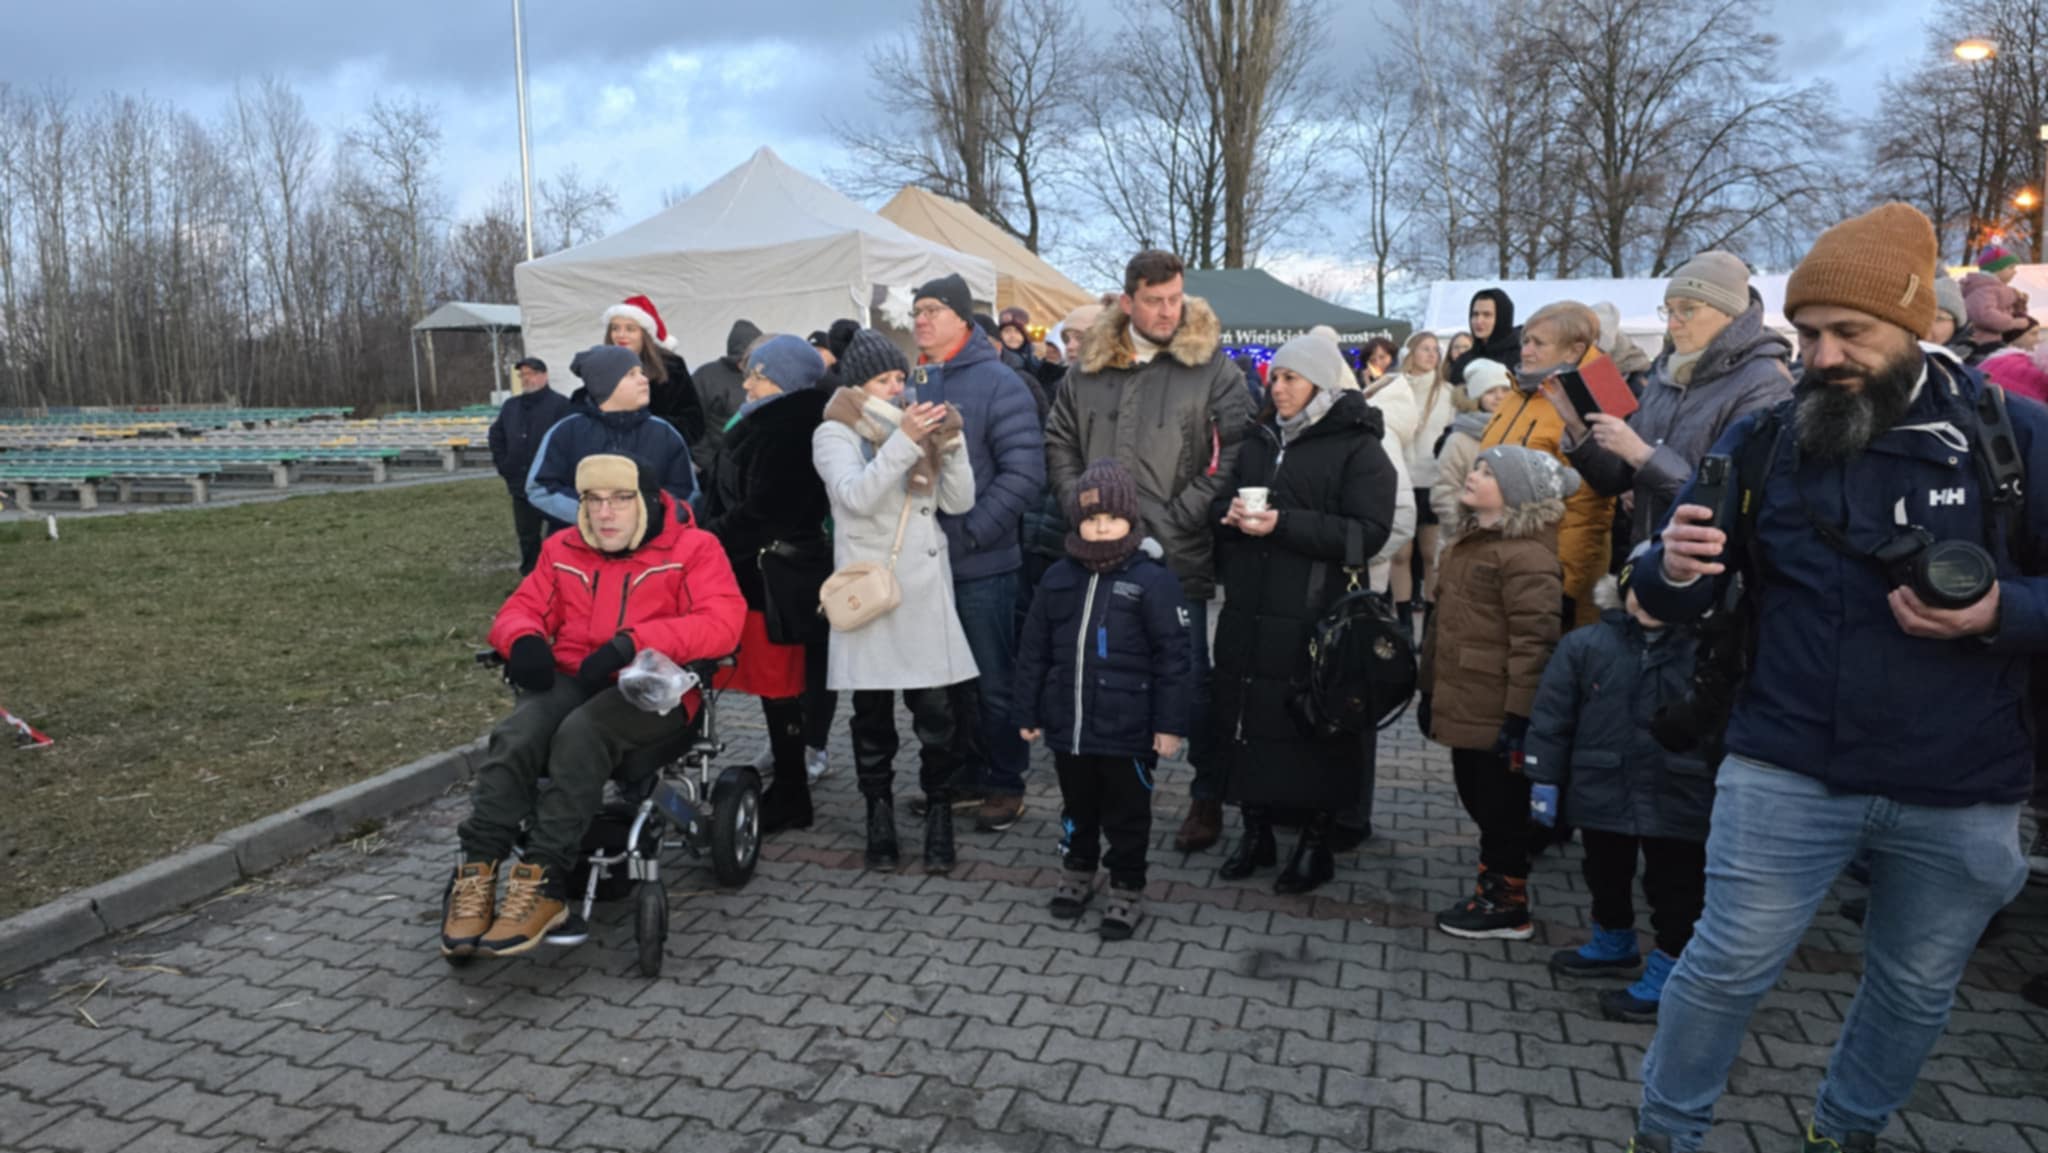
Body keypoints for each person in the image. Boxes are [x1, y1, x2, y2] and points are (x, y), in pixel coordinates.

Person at [1623, 202, 2047, 1153]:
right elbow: (1668, 588)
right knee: (1723, 967)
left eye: (1849, 332)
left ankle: (1844, 1130)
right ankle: (1667, 1132)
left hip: (1962, 781)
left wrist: (1999, 612)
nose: (1823, 357)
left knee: (1914, 986)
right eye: (1809, 333)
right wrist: (1670, 569)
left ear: (1917, 322)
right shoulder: (1763, 439)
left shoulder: (2013, 439)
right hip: (1786, 764)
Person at [441, 454, 744, 958]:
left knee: (580, 735)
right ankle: (476, 868)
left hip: (653, 686)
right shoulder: (562, 548)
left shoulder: (694, 549)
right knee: (517, 736)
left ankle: (544, 879)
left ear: (648, 502)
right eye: (594, 500)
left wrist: (633, 642)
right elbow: (522, 608)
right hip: (576, 675)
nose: (605, 513)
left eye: (621, 499)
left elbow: (722, 624)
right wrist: (523, 639)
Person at [1046, 249, 1252, 853]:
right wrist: (1079, 504)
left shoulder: (1212, 368)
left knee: (1189, 681)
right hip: (1095, 552)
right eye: (1155, 301)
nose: (1168, 311)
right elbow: (1059, 441)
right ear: (1128, 300)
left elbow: (1232, 453)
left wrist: (1182, 514)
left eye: (1175, 299)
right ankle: (1114, 798)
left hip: (1176, 553)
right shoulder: (1087, 369)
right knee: (1105, 674)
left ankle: (1207, 794)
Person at [1210, 333, 1399, 893]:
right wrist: (1228, 517)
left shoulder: (1359, 445)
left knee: (1313, 726)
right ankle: (1257, 832)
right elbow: (1224, 500)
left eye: (1290, 378)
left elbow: (1369, 534)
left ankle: (1316, 843)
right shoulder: (1260, 439)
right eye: (1275, 377)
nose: (1278, 387)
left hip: (1317, 611)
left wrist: (1284, 523)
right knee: (1248, 719)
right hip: (1249, 605)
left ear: (1319, 383)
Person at [1015, 458, 1195, 940]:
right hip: (1069, 726)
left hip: (1129, 729)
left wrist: (1170, 725)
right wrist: (1028, 709)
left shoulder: (1153, 580)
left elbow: (1174, 658)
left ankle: (1127, 885)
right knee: (1077, 807)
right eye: (1092, 518)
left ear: (1130, 520)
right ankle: (1078, 869)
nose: (1100, 528)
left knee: (1127, 814)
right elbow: (1033, 649)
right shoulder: (1058, 577)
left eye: (1111, 518)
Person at [814, 364, 978, 873]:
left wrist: (953, 445)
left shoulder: (915, 427)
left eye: (899, 378)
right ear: (858, 384)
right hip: (871, 589)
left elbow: (959, 502)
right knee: (872, 717)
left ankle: (939, 815)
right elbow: (856, 497)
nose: (897, 389)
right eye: (883, 380)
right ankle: (878, 816)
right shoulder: (835, 430)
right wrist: (905, 440)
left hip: (924, 589)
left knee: (937, 716)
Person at [1527, 567, 1709, 1022]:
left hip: (1679, 789)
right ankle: (1612, 938)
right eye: (1638, 592)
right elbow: (1553, 714)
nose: (1646, 603)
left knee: (1675, 884)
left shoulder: (1705, 651)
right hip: (1603, 782)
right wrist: (1544, 775)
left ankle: (1672, 966)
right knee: (1603, 868)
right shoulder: (1586, 645)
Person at [900, 276, 1046, 832]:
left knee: (992, 680)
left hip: (981, 563)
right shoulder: (914, 382)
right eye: (916, 310)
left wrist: (974, 533)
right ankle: (961, 777)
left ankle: (1005, 782)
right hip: (923, 562)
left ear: (963, 318)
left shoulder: (999, 383)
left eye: (932, 309)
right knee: (943, 682)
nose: (920, 319)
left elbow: (1024, 473)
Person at [1419, 446, 1575, 940]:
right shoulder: (1469, 543)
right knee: (1478, 797)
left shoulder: (1527, 557)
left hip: (1497, 708)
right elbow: (1441, 626)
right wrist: (1428, 690)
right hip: (1466, 699)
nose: (1474, 474)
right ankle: (1493, 888)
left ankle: (1507, 904)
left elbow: (1536, 643)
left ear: (1518, 494)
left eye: (1489, 473)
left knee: (1501, 806)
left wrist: (1520, 717)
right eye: (1478, 467)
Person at [1562, 253, 1794, 553]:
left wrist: (1644, 457)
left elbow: (1732, 505)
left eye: (1687, 310)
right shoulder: (1666, 372)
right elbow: (1612, 482)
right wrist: (1579, 430)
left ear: (1729, 313)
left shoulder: (1765, 381)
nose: (1673, 324)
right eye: (1669, 310)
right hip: (1650, 555)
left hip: (1712, 564)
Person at [701, 335, 831, 833]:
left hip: (775, 578)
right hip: (759, 573)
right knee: (777, 686)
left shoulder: (791, 428)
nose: (748, 383)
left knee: (781, 685)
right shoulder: (766, 420)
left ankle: (793, 793)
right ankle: (789, 784)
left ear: (783, 380)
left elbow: (769, 511)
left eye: (757, 374)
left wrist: (708, 538)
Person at [1477, 302, 1617, 627]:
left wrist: (1562, 583)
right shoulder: (1518, 393)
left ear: (1574, 350)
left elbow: (1588, 507)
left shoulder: (1591, 397)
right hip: (1504, 560)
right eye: (1525, 341)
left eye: (1538, 343)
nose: (1526, 351)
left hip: (1548, 572)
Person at [526, 346, 699, 529]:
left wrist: (645, 518)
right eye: (631, 374)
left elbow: (687, 491)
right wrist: (594, 515)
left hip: (652, 542)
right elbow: (541, 489)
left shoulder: (664, 433)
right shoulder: (566, 432)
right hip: (580, 542)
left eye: (641, 372)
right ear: (605, 383)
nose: (644, 379)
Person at [487, 357, 570, 575]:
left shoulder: (561, 405)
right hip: (520, 485)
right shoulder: (511, 406)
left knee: (558, 534)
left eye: (531, 373)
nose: (526, 379)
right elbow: (496, 436)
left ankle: (558, 576)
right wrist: (504, 464)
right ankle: (530, 579)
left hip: (551, 484)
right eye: (522, 375)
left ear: (544, 376)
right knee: (527, 535)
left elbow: (569, 441)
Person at [1394, 333, 1454, 628]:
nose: (1432, 354)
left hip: (1432, 478)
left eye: (1435, 350)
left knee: (1431, 554)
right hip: (1401, 478)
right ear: (1411, 352)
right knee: (1400, 554)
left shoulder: (1447, 392)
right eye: (1425, 348)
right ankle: (1403, 623)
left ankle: (1430, 623)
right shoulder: (1396, 388)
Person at [1431, 358, 1513, 556]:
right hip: (1467, 541)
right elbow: (1444, 491)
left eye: (1505, 390)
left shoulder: (1519, 431)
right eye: (1490, 391)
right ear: (1476, 397)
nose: (1499, 396)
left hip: (1512, 537)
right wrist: (1469, 529)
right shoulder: (1459, 439)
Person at [600, 295, 706, 445]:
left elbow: (694, 422)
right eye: (615, 328)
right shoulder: (601, 365)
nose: (621, 335)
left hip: (658, 451)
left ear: (645, 334)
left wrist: (649, 428)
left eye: (630, 329)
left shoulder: (671, 366)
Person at [690, 320, 763, 482]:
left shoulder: (765, 376)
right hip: (714, 470)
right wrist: (709, 465)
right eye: (743, 361)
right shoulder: (706, 377)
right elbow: (693, 425)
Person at [1963, 243, 2033, 356]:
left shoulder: (1995, 289)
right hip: (1982, 344)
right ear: (1996, 269)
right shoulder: (1984, 288)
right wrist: (2013, 323)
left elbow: (2005, 310)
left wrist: (2020, 303)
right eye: (2011, 268)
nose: (2015, 272)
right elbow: (1983, 314)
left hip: (1994, 340)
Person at [1448, 289, 1521, 384]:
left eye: (1487, 315)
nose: (1479, 321)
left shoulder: (1521, 358)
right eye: (1475, 314)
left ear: (1502, 318)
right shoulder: (1464, 362)